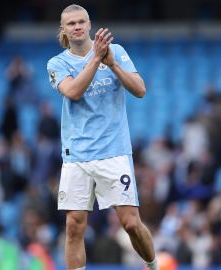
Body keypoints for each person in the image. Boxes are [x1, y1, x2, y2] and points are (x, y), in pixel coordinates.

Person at [46, 4, 158, 270]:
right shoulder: (57, 63)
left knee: (130, 223)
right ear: (63, 29)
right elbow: (73, 91)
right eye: (71, 23)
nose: (77, 27)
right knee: (74, 225)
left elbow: (140, 90)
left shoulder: (115, 52)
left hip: (114, 151)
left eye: (81, 22)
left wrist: (113, 64)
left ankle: (153, 266)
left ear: (89, 24)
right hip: (77, 155)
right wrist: (96, 59)